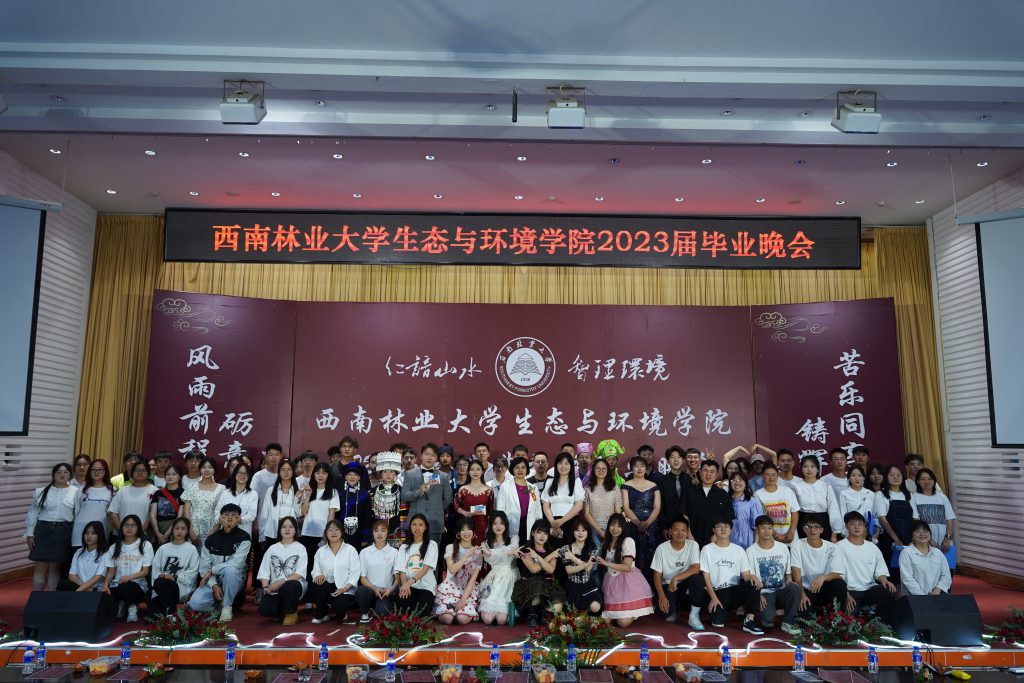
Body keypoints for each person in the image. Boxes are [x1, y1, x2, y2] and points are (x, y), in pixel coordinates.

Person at [188, 502, 252, 623]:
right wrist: (214, 585)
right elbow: (204, 568)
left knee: (230, 570)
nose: (230, 517)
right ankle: (219, 605)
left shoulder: (244, 537)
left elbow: (237, 563)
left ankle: (226, 606)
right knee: (195, 604)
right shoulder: (211, 539)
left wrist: (213, 570)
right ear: (220, 517)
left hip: (234, 579)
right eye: (226, 514)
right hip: (213, 579)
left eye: (234, 515)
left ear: (239, 518)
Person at [698, 518, 763, 634]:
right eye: (719, 526)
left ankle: (749, 620)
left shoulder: (739, 550)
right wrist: (713, 598)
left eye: (726, 527)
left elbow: (746, 575)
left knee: (754, 582)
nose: (723, 529)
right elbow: (706, 578)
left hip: (733, 591)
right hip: (716, 592)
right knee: (718, 623)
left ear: (731, 531)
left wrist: (752, 577)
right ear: (714, 530)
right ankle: (724, 612)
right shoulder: (707, 549)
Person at [25, 462, 80, 591]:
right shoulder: (41, 491)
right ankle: (37, 598)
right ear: (53, 474)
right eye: (59, 472)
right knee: (40, 566)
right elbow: (32, 513)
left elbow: (77, 515)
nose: (62, 475)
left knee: (55, 567)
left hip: (63, 531)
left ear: (70, 475)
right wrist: (30, 534)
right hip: (43, 530)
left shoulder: (76, 492)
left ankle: (51, 598)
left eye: (65, 472)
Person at [836, 512, 897, 625]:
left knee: (889, 590)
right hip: (850, 591)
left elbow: (880, 571)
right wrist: (845, 594)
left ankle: (880, 625)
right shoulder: (839, 546)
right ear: (846, 526)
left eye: (860, 524)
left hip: (869, 589)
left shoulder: (872, 547)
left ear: (865, 527)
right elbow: (836, 575)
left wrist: (884, 580)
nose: (857, 527)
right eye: (852, 524)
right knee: (849, 620)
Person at [746, 515, 800, 634]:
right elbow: (751, 578)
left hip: (781, 589)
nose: (767, 531)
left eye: (770, 528)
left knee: (794, 587)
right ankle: (772, 611)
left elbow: (788, 575)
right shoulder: (750, 551)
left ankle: (788, 622)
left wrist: (790, 583)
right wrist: (758, 596)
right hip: (764, 593)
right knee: (767, 621)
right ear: (757, 530)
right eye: (763, 528)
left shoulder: (782, 548)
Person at [599, 513, 654, 627]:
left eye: (619, 526)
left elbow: (627, 567)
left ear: (624, 528)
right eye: (613, 525)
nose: (615, 529)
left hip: (627, 583)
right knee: (605, 622)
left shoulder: (628, 541)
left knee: (622, 623)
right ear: (608, 526)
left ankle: (633, 614)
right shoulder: (605, 544)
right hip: (611, 582)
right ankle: (618, 613)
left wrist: (606, 563)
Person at [651, 516, 704, 630]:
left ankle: (694, 616)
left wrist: (676, 578)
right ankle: (673, 608)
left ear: (687, 532)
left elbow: (696, 568)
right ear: (670, 532)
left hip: (685, 585)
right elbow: (657, 575)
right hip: (668, 586)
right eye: (676, 530)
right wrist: (661, 596)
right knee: (666, 614)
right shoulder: (661, 548)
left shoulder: (693, 545)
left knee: (698, 579)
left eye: (683, 530)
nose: (680, 533)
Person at [789, 517, 848, 617]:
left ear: (822, 530)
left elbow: (838, 574)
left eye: (816, 527)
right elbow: (796, 572)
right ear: (804, 529)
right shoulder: (797, 544)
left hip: (825, 587)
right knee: (805, 615)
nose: (812, 530)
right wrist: (802, 594)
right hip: (807, 589)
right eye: (809, 526)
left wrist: (823, 577)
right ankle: (817, 609)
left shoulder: (832, 547)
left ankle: (838, 617)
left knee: (840, 584)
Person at [101, 514, 153, 622]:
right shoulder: (114, 547)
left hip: (137, 585)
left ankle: (131, 608)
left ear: (138, 528)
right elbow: (110, 572)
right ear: (121, 527)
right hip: (117, 584)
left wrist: (129, 577)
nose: (129, 528)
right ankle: (123, 603)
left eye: (133, 525)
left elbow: (145, 571)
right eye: (126, 525)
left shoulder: (145, 545)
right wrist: (105, 585)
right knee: (105, 596)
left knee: (127, 585)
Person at [512, 519, 564, 626]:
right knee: (538, 584)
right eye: (539, 532)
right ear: (532, 533)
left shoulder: (551, 550)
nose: (542, 536)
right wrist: (548, 557)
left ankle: (542, 611)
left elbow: (550, 570)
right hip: (529, 585)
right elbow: (534, 569)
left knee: (558, 607)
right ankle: (532, 614)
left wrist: (538, 557)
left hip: (549, 585)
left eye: (545, 533)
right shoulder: (526, 550)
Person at [257, 516, 308, 625]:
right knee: (265, 610)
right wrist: (265, 587)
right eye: (284, 527)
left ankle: (291, 613)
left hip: (294, 585)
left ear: (295, 530)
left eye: (290, 527)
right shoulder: (272, 548)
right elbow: (264, 570)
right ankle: (280, 611)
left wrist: (282, 581)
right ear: (280, 530)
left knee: (291, 585)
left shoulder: (301, 548)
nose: (287, 529)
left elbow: (300, 573)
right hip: (275, 587)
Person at [401, 443, 452, 549]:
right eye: (427, 454)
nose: (429, 457)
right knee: (413, 553)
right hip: (415, 522)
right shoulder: (410, 474)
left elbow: (447, 498)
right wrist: (419, 492)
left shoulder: (443, 476)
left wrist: (437, 508)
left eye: (433, 455)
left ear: (436, 458)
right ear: (421, 456)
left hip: (435, 522)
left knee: (433, 554)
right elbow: (404, 496)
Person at [433, 518, 483, 624]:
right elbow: (452, 570)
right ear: (458, 533)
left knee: (462, 619)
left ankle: (458, 612)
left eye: (469, 529)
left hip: (467, 590)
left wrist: (463, 599)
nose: (466, 532)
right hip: (450, 588)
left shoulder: (478, 552)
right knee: (447, 618)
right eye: (463, 530)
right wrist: (466, 556)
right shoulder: (450, 547)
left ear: (474, 533)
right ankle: (450, 612)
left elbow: (473, 579)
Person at [309, 519, 360, 624]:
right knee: (317, 585)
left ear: (342, 532)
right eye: (330, 530)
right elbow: (315, 570)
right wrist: (318, 575)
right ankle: (321, 613)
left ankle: (339, 610)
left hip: (345, 589)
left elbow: (355, 573)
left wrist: (345, 587)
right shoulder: (320, 551)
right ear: (326, 533)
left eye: (336, 529)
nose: (333, 532)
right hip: (326, 588)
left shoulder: (350, 550)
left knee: (340, 609)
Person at [251, 443, 284, 598]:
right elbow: (254, 499)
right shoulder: (259, 476)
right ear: (266, 456)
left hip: (281, 524)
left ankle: (277, 588)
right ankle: (258, 588)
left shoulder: (284, 475)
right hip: (262, 521)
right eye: (271, 454)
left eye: (277, 455)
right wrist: (255, 521)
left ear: (281, 456)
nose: (273, 458)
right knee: (261, 555)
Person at [149, 517, 200, 615]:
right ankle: (172, 611)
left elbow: (193, 573)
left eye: (183, 529)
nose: (179, 531)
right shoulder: (163, 548)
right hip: (161, 585)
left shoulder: (191, 549)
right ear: (172, 530)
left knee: (160, 584)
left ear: (187, 531)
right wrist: (163, 576)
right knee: (151, 616)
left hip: (179, 587)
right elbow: (155, 570)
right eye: (177, 528)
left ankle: (170, 612)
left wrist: (174, 577)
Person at [875, 464, 918, 580]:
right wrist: (896, 539)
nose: (895, 478)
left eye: (898, 475)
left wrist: (913, 539)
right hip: (890, 540)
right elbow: (883, 520)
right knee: (893, 573)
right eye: (892, 475)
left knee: (909, 573)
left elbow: (915, 519)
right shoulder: (880, 494)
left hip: (909, 539)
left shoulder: (909, 495)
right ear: (886, 477)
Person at [621, 455, 661, 577]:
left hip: (652, 526)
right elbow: (626, 507)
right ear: (631, 468)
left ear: (646, 468)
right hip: (633, 526)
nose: (639, 469)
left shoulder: (654, 486)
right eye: (636, 466)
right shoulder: (625, 485)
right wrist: (638, 523)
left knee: (651, 556)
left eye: (642, 466)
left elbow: (657, 507)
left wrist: (647, 523)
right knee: (635, 555)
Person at [477, 511, 519, 626]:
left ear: (506, 524)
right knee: (487, 619)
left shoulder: (513, 539)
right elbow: (489, 559)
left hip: (509, 577)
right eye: (495, 524)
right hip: (494, 577)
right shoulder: (486, 543)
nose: (498, 526)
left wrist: (492, 553)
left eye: (501, 523)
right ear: (491, 525)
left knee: (501, 620)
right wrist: (507, 552)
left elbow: (512, 549)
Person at [393, 513, 439, 616]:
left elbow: (425, 569)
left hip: (426, 587)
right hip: (409, 586)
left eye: (420, 525)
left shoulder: (432, 545)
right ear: (410, 527)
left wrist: (408, 583)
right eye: (414, 524)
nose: (417, 528)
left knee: (420, 614)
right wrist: (405, 586)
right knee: (403, 611)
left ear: (425, 527)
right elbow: (402, 570)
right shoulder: (404, 547)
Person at [300, 462, 340, 577]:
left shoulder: (332, 492)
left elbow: (331, 515)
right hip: (307, 533)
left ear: (328, 475)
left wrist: (327, 534)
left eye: (324, 473)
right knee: (308, 564)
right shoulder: (309, 490)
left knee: (322, 565)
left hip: (322, 535)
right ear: (314, 474)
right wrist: (308, 495)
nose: (320, 476)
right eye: (318, 473)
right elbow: (303, 512)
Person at [356, 519, 399, 622]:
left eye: (383, 530)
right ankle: (366, 612)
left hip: (386, 592)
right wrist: (375, 589)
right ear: (372, 533)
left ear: (387, 533)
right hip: (370, 590)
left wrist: (391, 590)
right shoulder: (364, 552)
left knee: (382, 613)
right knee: (361, 591)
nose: (379, 534)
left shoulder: (394, 552)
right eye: (376, 530)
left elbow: (397, 578)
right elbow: (363, 578)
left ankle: (378, 609)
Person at [494, 456, 543, 544]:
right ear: (512, 470)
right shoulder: (505, 487)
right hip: (511, 525)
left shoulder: (532, 488)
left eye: (523, 467)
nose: (520, 470)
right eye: (517, 467)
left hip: (530, 525)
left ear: (527, 470)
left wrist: (538, 526)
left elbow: (537, 509)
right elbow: (500, 510)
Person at [559, 517, 603, 615]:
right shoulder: (566, 548)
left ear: (588, 532)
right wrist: (585, 564)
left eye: (583, 530)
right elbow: (569, 570)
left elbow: (588, 569)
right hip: (572, 585)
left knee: (595, 607)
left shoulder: (594, 549)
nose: (580, 533)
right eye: (577, 530)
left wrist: (573, 558)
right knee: (572, 612)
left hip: (587, 585)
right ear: (573, 532)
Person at [684, 460, 733, 547]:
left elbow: (727, 518)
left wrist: (716, 535)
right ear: (700, 472)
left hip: (715, 539)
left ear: (716, 475)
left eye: (712, 472)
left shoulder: (723, 495)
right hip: (692, 538)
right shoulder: (690, 492)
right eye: (705, 471)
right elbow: (685, 515)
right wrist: (688, 533)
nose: (708, 474)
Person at [542, 452, 586, 547]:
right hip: (552, 522)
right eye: (560, 463)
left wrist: (561, 521)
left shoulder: (576, 482)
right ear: (556, 465)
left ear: (571, 466)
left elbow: (579, 506)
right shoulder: (549, 482)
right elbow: (546, 505)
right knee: (553, 550)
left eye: (566, 463)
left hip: (571, 523)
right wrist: (553, 523)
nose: (563, 466)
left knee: (568, 551)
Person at [791, 455, 840, 539]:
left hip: (823, 522)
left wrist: (834, 533)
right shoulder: (796, 486)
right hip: (803, 521)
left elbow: (833, 510)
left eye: (812, 466)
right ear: (801, 469)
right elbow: (793, 510)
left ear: (818, 469)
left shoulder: (825, 486)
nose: (809, 469)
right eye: (805, 466)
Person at [898, 521, 952, 596]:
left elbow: (946, 576)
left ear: (930, 534)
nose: (922, 534)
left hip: (937, 595)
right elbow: (907, 579)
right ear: (912, 536)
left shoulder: (938, 553)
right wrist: (924, 597)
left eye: (925, 531)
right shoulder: (906, 553)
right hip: (914, 597)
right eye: (918, 531)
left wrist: (937, 590)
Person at [259, 458, 305, 547]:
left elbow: (299, 514)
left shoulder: (299, 490)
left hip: (290, 530)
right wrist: (262, 535)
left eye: (289, 470)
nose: (286, 472)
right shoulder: (271, 490)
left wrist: (298, 500)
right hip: (272, 530)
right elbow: (264, 514)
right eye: (283, 470)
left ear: (293, 472)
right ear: (279, 472)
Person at [108, 460, 158, 537]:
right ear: (132, 473)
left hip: (143, 535)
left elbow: (153, 515)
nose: (140, 473)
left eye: (143, 470)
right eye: (137, 470)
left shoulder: (155, 491)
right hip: (121, 535)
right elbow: (113, 512)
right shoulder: (123, 490)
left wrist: (140, 531)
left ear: (148, 473)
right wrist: (122, 530)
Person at [753, 463, 800, 543]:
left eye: (774, 475)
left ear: (778, 475)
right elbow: (760, 519)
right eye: (768, 475)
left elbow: (795, 513)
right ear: (763, 476)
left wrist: (791, 532)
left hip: (790, 537)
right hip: (770, 538)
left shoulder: (787, 491)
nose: (771, 478)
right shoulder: (758, 494)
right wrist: (775, 535)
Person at [911, 468, 955, 552]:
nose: (926, 482)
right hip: (923, 538)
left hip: (943, 539)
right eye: (923, 479)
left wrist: (947, 538)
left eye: (929, 479)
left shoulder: (942, 497)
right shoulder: (914, 497)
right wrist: (930, 540)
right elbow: (916, 521)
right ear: (918, 481)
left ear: (934, 480)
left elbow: (950, 520)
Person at [60, 521, 109, 593]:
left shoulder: (105, 554)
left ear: (100, 535)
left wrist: (78, 591)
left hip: (95, 589)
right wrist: (84, 588)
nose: (89, 536)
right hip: (82, 586)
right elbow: (71, 575)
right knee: (63, 584)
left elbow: (98, 577)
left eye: (93, 533)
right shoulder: (78, 552)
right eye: (86, 533)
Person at [73, 459, 114, 548]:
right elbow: (76, 512)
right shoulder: (81, 489)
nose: (96, 472)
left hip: (100, 533)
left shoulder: (112, 490)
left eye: (100, 469)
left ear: (105, 471)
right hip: (80, 532)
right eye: (94, 469)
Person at [215, 462, 259, 541]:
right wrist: (221, 520)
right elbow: (217, 513)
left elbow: (252, 515)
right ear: (235, 474)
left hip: (244, 534)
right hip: (226, 533)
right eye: (240, 473)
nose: (242, 476)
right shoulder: (226, 493)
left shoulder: (253, 494)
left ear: (249, 476)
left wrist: (240, 520)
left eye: (245, 474)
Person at [583, 458, 623, 547]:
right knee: (596, 552)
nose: (601, 471)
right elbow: (586, 513)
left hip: (611, 528)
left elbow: (617, 511)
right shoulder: (588, 489)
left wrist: (613, 528)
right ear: (593, 470)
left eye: (604, 468)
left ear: (607, 470)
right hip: (594, 528)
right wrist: (599, 531)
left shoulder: (614, 488)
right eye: (598, 468)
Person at [454, 460, 494, 545]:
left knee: (482, 549)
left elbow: (491, 510)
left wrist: (489, 526)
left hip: (483, 525)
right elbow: (456, 506)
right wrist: (465, 513)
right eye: (472, 469)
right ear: (468, 472)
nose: (475, 472)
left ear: (483, 471)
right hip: (466, 526)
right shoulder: (463, 489)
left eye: (478, 469)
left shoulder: (489, 490)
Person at [337, 462, 372, 549]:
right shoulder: (339, 494)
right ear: (345, 477)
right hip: (341, 533)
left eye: (355, 474)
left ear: (359, 477)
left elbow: (367, 517)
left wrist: (366, 536)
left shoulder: (365, 495)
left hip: (359, 534)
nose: (352, 477)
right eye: (349, 474)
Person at [836, 465, 877, 540]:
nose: (857, 478)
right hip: (850, 533)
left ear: (864, 478)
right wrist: (846, 534)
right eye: (853, 475)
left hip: (868, 533)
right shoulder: (844, 494)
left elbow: (875, 515)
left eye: (860, 475)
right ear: (849, 478)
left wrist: (874, 532)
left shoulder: (871, 494)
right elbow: (842, 515)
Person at [149, 464, 185, 546]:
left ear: (180, 477)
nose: (170, 477)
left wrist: (167, 533)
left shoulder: (183, 493)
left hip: (175, 529)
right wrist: (157, 533)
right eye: (168, 474)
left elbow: (180, 516)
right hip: (157, 528)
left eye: (174, 474)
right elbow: (152, 514)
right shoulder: (158, 493)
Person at [658, 446, 690, 536]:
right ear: (668, 461)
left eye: (679, 457)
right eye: (672, 457)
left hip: (688, 527)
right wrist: (664, 527)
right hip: (670, 526)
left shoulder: (689, 480)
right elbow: (660, 507)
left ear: (683, 460)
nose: (676, 460)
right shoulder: (662, 481)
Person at [729, 472, 760, 549]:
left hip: (747, 540)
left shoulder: (752, 502)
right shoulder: (726, 500)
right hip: (729, 539)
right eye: (734, 480)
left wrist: (755, 546)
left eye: (740, 480)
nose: (737, 483)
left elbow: (757, 526)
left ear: (746, 484)